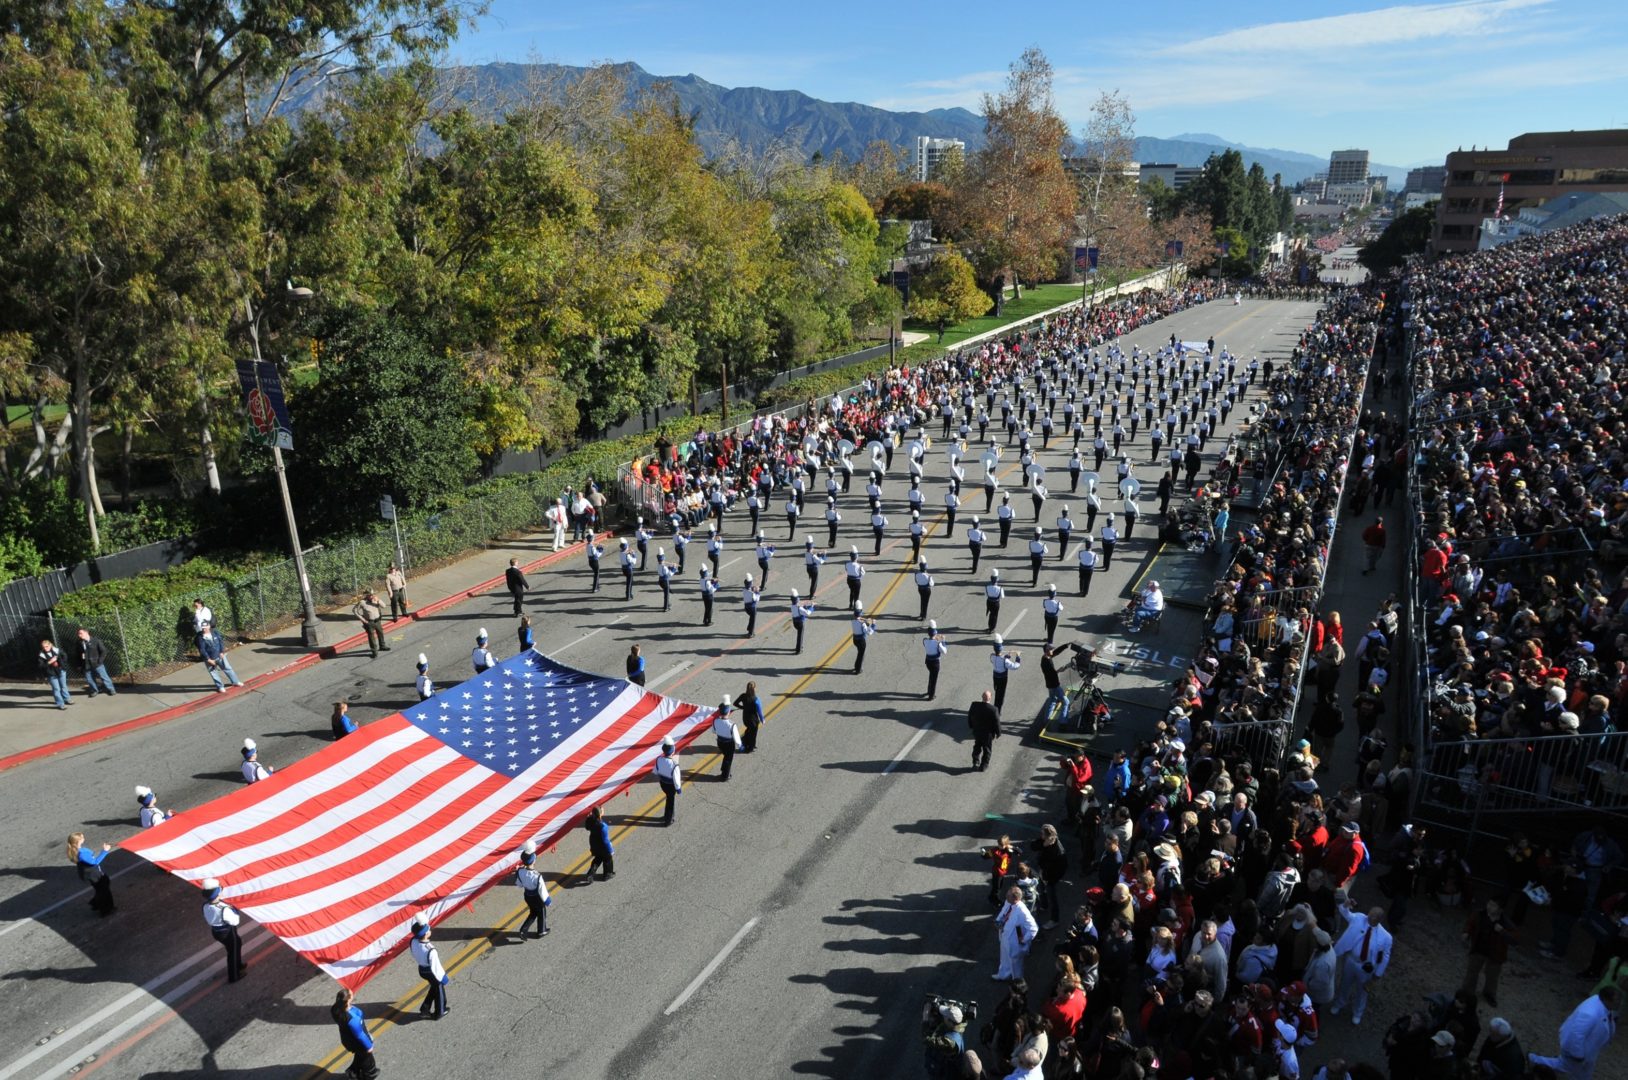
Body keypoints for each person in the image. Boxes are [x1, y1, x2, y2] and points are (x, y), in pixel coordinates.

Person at [1529, 987, 1618, 1080]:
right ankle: (1534, 1060)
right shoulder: (1590, 1013)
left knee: (1575, 1071)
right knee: (1564, 1067)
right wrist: (1577, 1054)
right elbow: (1576, 1033)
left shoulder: (1603, 1007)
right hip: (1578, 1052)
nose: (1619, 1003)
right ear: (1606, 999)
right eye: (1616, 1000)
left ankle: (1534, 1060)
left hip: (1586, 1053)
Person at [1330, 906, 1391, 1025]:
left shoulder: (1386, 937)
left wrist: (1378, 974)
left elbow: (1385, 957)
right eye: (1370, 913)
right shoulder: (1358, 918)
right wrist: (1345, 905)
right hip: (1351, 960)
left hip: (1366, 967)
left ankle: (1358, 1012)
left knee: (1362, 991)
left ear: (1379, 920)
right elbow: (1345, 913)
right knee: (1344, 984)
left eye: (1374, 916)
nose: (1370, 917)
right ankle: (1339, 1004)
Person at [1462, 897, 1518, 1006]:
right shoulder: (1479, 914)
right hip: (1478, 949)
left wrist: (1502, 931)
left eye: (1493, 905)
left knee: (1492, 976)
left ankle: (1489, 994)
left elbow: (1515, 939)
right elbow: (1470, 923)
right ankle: (1467, 993)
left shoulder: (1505, 922)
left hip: (1495, 954)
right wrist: (1466, 932)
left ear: (1500, 909)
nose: (1489, 906)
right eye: (1489, 903)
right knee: (1472, 972)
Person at [201, 877, 247, 981]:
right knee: (233, 951)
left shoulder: (206, 905)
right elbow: (235, 921)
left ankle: (238, 964)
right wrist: (234, 910)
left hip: (216, 932)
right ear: (217, 893)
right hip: (228, 933)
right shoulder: (224, 909)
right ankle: (234, 976)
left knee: (236, 944)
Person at [332, 987, 379, 1080]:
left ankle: (353, 1074)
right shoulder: (353, 1019)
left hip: (347, 1039)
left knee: (360, 1057)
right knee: (368, 1062)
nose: (353, 993)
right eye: (351, 993)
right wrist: (369, 1046)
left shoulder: (335, 1009)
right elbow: (360, 1035)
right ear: (348, 1000)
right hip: (358, 1043)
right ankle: (359, 1075)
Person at [994, 884, 1040, 981]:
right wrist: (998, 920)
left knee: (1016, 964)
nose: (1006, 896)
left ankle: (1017, 982)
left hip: (1014, 942)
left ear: (1015, 898)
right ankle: (1003, 974)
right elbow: (1004, 911)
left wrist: (1023, 940)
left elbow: (1033, 928)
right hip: (1005, 936)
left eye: (1008, 895)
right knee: (1004, 957)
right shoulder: (1009, 902)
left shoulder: (1023, 911)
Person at [409, 917, 449, 1019]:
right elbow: (436, 967)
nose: (430, 931)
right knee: (439, 989)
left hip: (421, 969)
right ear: (426, 934)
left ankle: (425, 1009)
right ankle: (440, 1011)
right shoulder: (431, 950)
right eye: (429, 930)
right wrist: (442, 978)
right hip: (431, 971)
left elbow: (413, 953)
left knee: (434, 987)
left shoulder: (413, 941)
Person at [69, 832, 115, 916]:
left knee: (101, 888)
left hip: (90, 873)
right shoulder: (82, 853)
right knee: (104, 889)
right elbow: (95, 862)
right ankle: (104, 909)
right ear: (78, 841)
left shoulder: (75, 851)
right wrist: (105, 851)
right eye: (82, 837)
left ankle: (100, 905)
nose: (84, 838)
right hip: (94, 874)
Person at [514, 840, 552, 939]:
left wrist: (518, 871)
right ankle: (541, 930)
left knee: (533, 912)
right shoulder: (537, 876)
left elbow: (519, 884)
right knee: (541, 912)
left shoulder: (520, 872)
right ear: (533, 861)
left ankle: (523, 930)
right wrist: (547, 901)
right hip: (536, 898)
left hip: (527, 896)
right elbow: (542, 890)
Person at [197, 624, 243, 692]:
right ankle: (220, 687)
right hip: (210, 659)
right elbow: (202, 650)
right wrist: (208, 659)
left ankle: (235, 681)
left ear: (209, 626)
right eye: (203, 628)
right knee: (214, 673)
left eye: (205, 628)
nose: (204, 629)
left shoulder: (215, 632)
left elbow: (220, 642)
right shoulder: (200, 637)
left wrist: (222, 652)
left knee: (228, 668)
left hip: (220, 656)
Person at [76, 628, 117, 697]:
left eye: (81, 633)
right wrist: (79, 664)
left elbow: (104, 651)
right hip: (86, 664)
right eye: (78, 634)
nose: (79, 635)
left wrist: (99, 661)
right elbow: (77, 654)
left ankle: (111, 689)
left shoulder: (96, 641)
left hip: (97, 664)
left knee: (104, 677)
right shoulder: (79, 643)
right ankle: (94, 690)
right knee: (89, 679)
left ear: (86, 633)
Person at [968, 690, 1001, 772]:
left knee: (977, 745)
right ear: (990, 698)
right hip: (988, 734)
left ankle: (975, 761)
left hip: (977, 732)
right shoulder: (993, 709)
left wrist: (971, 726)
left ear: (982, 697)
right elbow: (997, 723)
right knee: (987, 750)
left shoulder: (974, 705)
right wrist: (998, 733)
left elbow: (969, 716)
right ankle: (984, 766)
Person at [653, 735, 682, 825]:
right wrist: (678, 789)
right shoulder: (674, 764)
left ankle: (667, 815)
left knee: (668, 799)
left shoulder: (659, 759)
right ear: (672, 752)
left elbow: (655, 771)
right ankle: (668, 819)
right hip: (671, 786)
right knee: (670, 802)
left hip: (663, 784)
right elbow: (676, 780)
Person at [584, 805, 615, 880]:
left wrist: (589, 817)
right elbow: (605, 841)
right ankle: (608, 874)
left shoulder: (590, 820)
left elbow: (587, 827)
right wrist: (610, 850)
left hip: (594, 843)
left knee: (598, 858)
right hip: (603, 846)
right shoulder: (603, 826)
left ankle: (590, 874)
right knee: (608, 859)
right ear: (601, 814)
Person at [990, 636, 1021, 711]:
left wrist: (1006, 656)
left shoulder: (991, 656)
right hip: (1002, 679)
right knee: (1000, 697)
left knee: (997, 693)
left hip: (995, 677)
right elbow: (1015, 666)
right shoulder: (1005, 660)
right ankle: (997, 712)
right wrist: (1018, 657)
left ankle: (995, 708)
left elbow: (997, 658)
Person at [38, 638, 71, 709]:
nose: (45, 648)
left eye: (46, 646)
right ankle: (60, 704)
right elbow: (41, 666)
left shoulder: (57, 650)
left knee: (63, 686)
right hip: (51, 673)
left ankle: (67, 699)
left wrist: (63, 664)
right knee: (56, 689)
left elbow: (64, 655)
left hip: (60, 670)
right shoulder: (41, 655)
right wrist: (49, 662)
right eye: (43, 647)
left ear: (50, 645)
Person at [712, 697, 739, 781]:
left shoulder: (716, 721)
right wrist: (740, 746)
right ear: (728, 712)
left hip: (720, 742)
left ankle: (723, 769)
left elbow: (713, 731)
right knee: (728, 759)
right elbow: (737, 738)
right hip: (729, 744)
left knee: (725, 756)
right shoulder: (732, 725)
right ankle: (725, 775)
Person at [353, 591, 387, 658]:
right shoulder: (362, 602)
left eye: (373, 594)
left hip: (377, 621)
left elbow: (384, 606)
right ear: (367, 595)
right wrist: (362, 619)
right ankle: (374, 652)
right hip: (369, 622)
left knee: (380, 633)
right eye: (370, 595)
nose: (372, 596)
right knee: (371, 637)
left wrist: (378, 600)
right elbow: (354, 610)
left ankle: (382, 646)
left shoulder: (376, 600)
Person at [735, 682, 764, 752]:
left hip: (745, 718)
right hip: (753, 720)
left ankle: (746, 742)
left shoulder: (743, 696)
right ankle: (750, 748)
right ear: (754, 688)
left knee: (748, 730)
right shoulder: (756, 699)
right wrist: (762, 719)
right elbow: (759, 711)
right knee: (753, 734)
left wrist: (743, 707)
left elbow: (735, 703)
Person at [922, 622, 949, 700]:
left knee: (931, 676)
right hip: (935, 663)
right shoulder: (938, 643)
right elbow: (944, 651)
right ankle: (931, 696)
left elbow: (930, 643)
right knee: (934, 679)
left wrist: (935, 638)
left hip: (928, 662)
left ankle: (929, 691)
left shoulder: (924, 640)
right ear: (935, 633)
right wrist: (943, 641)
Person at [851, 603, 877, 674]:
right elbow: (869, 632)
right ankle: (858, 669)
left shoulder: (852, 620)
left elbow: (858, 619)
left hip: (855, 640)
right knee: (861, 655)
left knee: (859, 654)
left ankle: (856, 666)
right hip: (861, 641)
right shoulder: (862, 624)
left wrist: (866, 620)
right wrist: (873, 625)